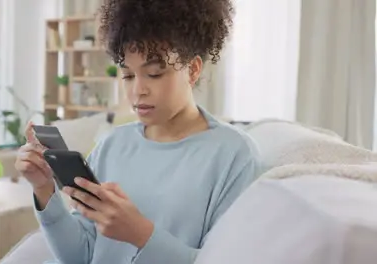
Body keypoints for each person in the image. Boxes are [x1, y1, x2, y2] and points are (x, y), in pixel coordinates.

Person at [15, 0, 262, 263]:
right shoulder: (112, 145)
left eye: (154, 74)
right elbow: (80, 255)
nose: (138, 91)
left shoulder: (234, 155)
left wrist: (141, 234)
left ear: (192, 70)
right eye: (128, 76)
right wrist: (44, 190)